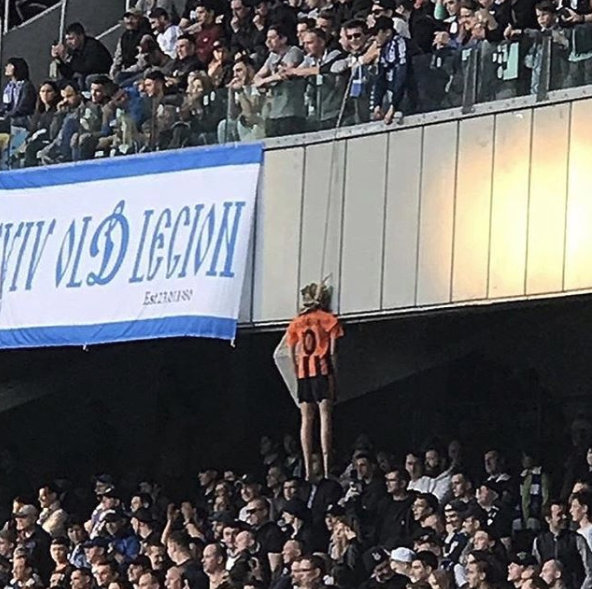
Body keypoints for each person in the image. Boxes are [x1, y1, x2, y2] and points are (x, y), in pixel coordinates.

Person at [285, 282, 343, 480]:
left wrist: (297, 371)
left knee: (306, 420)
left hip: (304, 372)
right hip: (322, 369)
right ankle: (326, 466)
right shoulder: (329, 320)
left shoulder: (296, 323)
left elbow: (292, 352)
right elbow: (333, 351)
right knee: (325, 416)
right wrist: (335, 376)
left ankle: (308, 468)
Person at [254, 24, 306, 138]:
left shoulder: (294, 51)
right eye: (267, 38)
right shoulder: (272, 56)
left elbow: (284, 74)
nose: (268, 42)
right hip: (273, 112)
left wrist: (265, 81)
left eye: (272, 38)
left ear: (283, 39)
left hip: (291, 110)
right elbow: (257, 77)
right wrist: (266, 80)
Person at [532, 501, 592, 589]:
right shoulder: (539, 541)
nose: (564, 517)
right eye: (559, 514)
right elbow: (538, 568)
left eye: (565, 513)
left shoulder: (576, 539)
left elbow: (589, 569)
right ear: (548, 519)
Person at [51, 22, 113, 87]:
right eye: (67, 39)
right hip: (85, 77)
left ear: (81, 36)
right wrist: (58, 59)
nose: (68, 42)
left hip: (102, 77)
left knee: (84, 79)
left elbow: (86, 68)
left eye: (71, 39)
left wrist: (67, 57)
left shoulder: (93, 46)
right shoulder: (74, 50)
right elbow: (68, 74)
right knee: (60, 84)